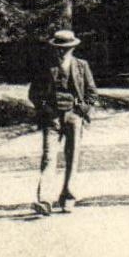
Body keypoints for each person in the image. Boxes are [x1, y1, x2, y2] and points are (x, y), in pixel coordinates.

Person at [26, 29, 96, 215]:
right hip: (52, 118)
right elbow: (34, 93)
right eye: (59, 48)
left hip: (74, 117)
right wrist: (45, 109)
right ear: (54, 48)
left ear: (73, 48)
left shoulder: (82, 65)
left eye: (66, 48)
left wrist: (81, 111)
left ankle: (68, 198)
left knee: (72, 157)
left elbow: (92, 93)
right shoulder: (45, 67)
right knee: (49, 157)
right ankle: (45, 200)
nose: (62, 51)